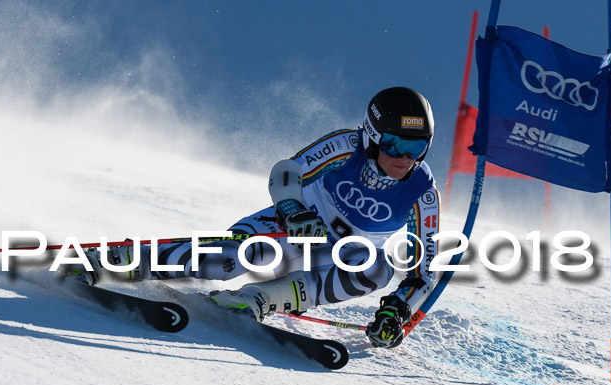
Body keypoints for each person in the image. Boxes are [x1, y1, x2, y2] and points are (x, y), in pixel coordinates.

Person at [82, 86, 440, 349]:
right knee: (228, 259)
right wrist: (291, 210)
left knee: (378, 270)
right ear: (373, 136)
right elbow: (288, 171)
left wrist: (397, 312)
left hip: (338, 258)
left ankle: (259, 299)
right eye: (395, 144)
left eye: (417, 147)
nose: (404, 157)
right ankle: (119, 261)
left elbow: (424, 272)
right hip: (293, 231)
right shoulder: (348, 146)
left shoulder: (422, 193)